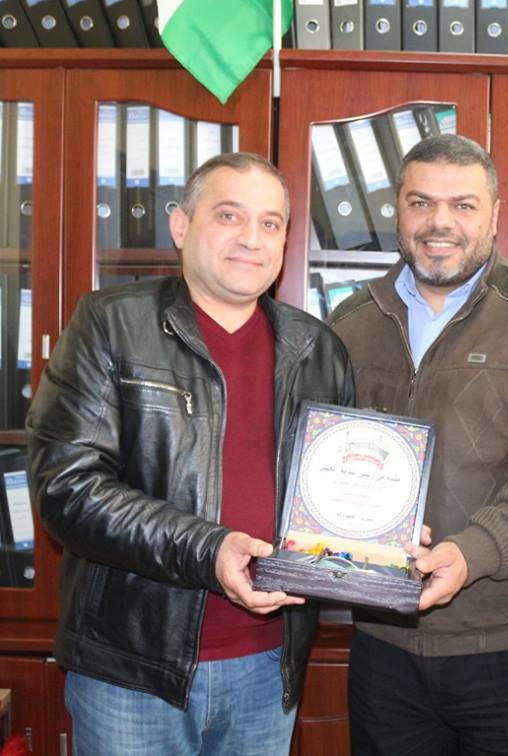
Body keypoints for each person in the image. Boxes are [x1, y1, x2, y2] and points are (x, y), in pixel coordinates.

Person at [26, 152, 354, 755]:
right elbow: (66, 489)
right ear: (181, 225)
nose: (251, 238)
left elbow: (336, 494)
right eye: (230, 215)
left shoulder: (318, 349)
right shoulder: (110, 324)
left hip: (268, 667)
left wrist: (379, 544)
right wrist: (211, 550)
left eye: (270, 223)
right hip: (132, 669)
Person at [328, 133, 508, 756]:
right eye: (421, 203)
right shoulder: (348, 322)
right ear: (397, 210)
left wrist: (470, 553)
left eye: (463, 205)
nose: (440, 223)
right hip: (383, 644)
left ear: (495, 214)